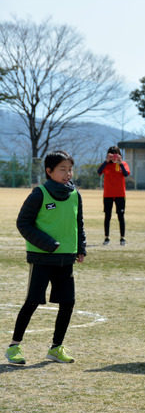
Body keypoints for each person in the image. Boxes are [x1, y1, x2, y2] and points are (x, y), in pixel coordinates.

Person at [5, 150, 87, 365]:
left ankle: (56, 348)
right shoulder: (39, 193)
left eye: (70, 169)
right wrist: (48, 244)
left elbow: (78, 223)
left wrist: (81, 247)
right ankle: (14, 346)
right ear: (49, 171)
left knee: (68, 303)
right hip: (42, 258)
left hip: (66, 259)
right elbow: (23, 223)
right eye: (62, 169)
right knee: (32, 301)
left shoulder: (74, 194)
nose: (68, 173)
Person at [97, 146, 130, 246]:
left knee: (121, 216)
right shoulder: (106, 165)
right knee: (107, 216)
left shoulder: (123, 164)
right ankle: (106, 237)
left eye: (115, 155)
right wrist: (106, 161)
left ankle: (122, 238)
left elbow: (126, 174)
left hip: (120, 194)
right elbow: (99, 172)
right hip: (108, 194)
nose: (114, 157)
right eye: (112, 155)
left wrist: (120, 163)